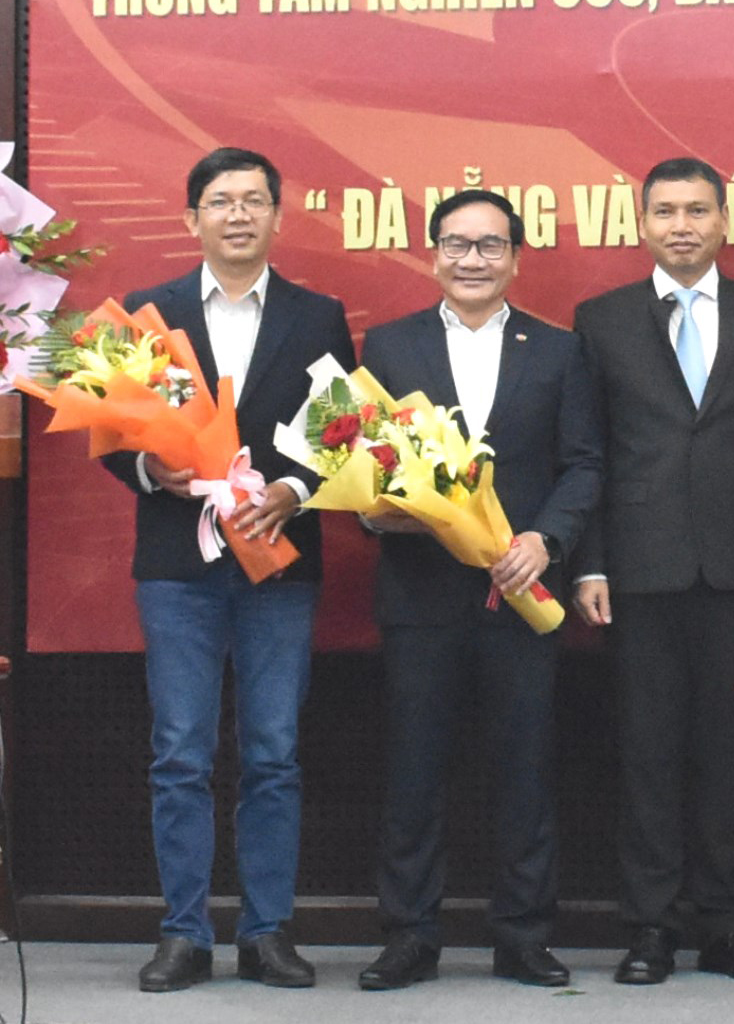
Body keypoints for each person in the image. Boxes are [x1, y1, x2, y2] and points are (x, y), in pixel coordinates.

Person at [107, 147, 356, 993]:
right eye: (221, 201)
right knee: (179, 751)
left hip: (278, 564)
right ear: (192, 218)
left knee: (273, 751)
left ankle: (267, 931)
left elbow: (341, 430)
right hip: (178, 564)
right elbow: (115, 434)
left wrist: (291, 489)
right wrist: (154, 472)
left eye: (255, 200)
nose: (239, 214)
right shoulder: (151, 310)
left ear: (279, 216)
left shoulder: (319, 314)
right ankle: (183, 933)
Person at [353, 189, 601, 991]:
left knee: (526, 768)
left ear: (516, 258)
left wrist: (545, 538)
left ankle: (523, 934)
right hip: (421, 595)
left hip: (521, 592)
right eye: (457, 244)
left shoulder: (559, 350)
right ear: (432, 253)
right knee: (414, 770)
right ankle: (409, 934)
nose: (472, 259)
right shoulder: (387, 346)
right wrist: (380, 513)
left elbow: (585, 462)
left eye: (490, 246)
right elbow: (359, 464)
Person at [570, 157, 734, 986]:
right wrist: (589, 562)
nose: (681, 224)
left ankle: (733, 924)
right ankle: (652, 926)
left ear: (721, 220)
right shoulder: (598, 321)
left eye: (697, 209)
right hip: (639, 571)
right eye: (665, 210)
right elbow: (588, 452)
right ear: (642, 223)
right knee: (649, 753)